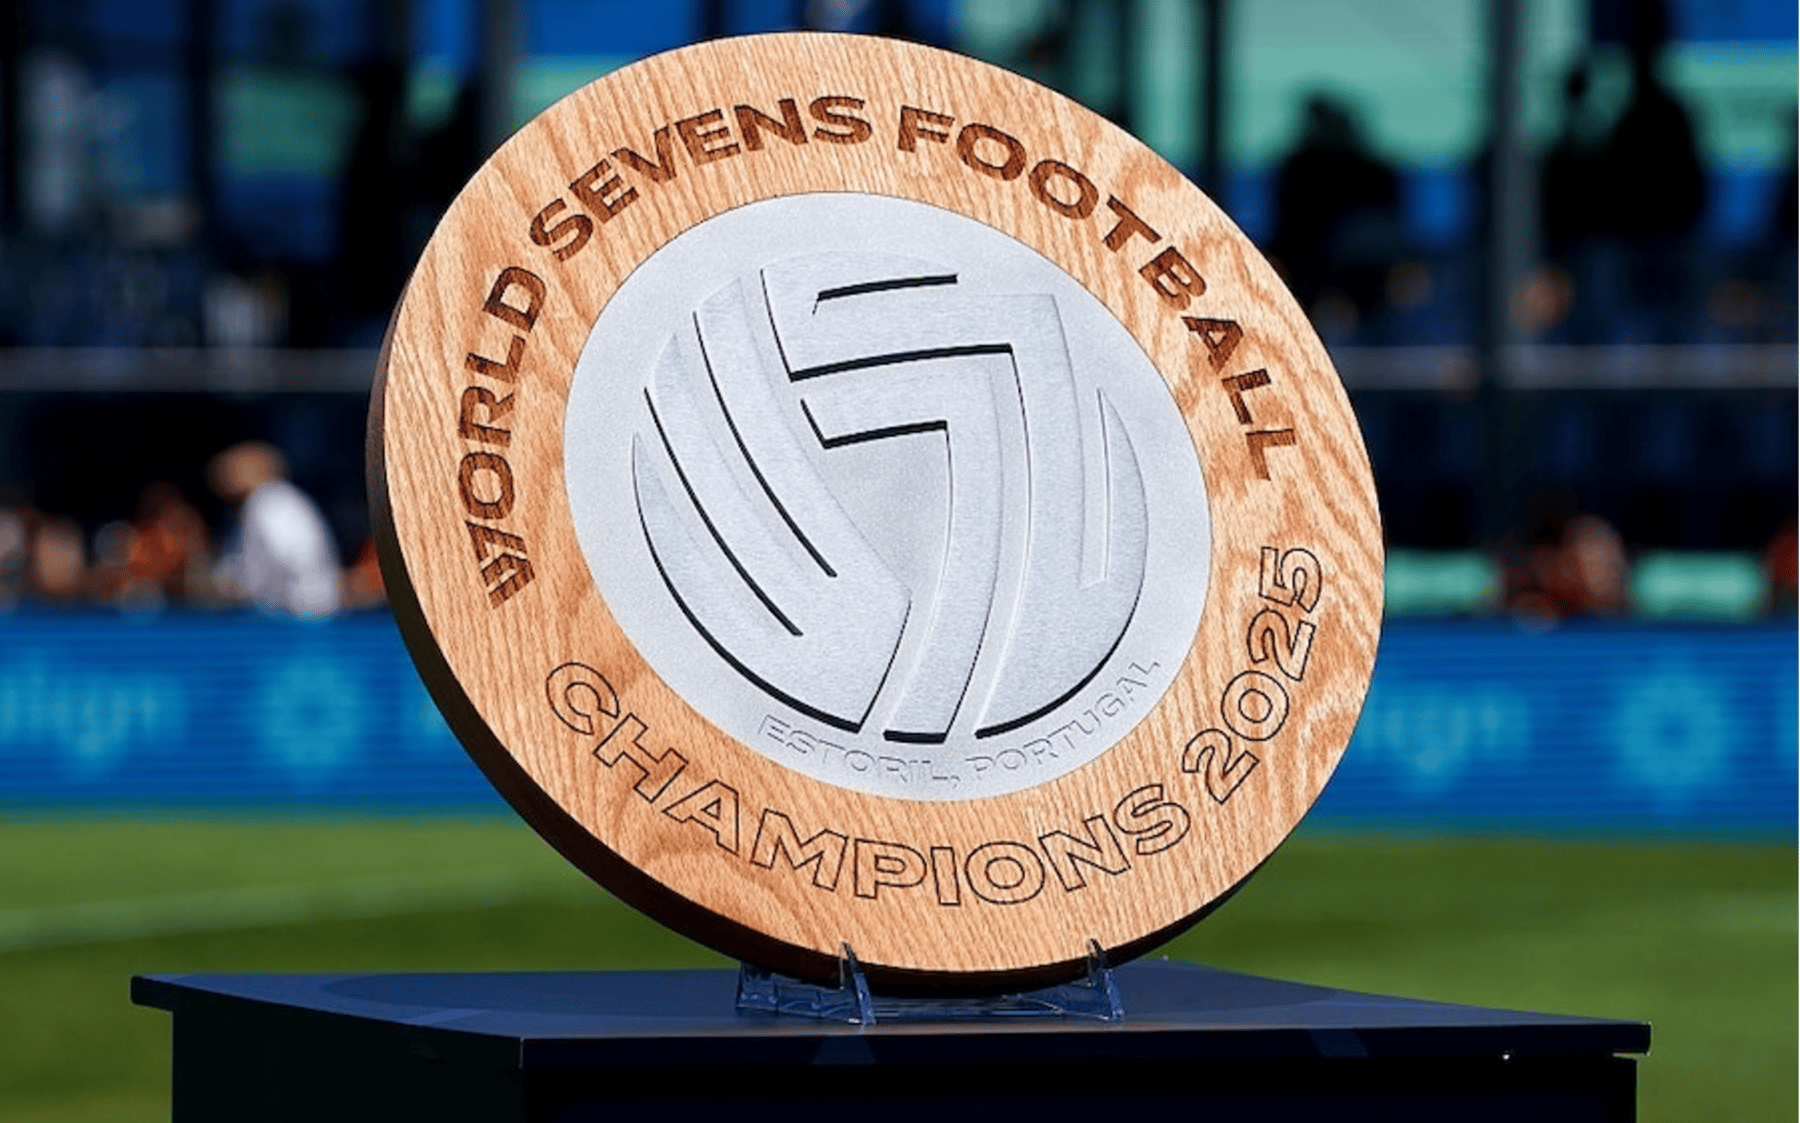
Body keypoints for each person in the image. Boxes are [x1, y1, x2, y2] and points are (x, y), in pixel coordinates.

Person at [209, 441, 342, 617]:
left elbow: (289, 556)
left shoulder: (267, 501)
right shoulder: (280, 498)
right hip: (301, 610)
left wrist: (244, 584)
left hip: (298, 612)